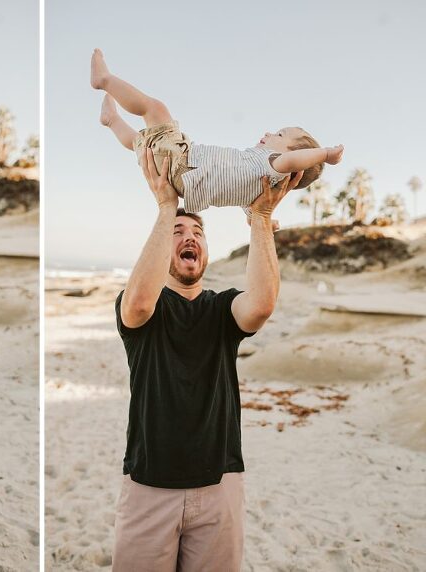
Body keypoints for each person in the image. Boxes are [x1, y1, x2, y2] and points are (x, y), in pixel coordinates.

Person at [111, 147, 303, 571]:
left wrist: (262, 218)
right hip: (149, 485)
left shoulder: (222, 308)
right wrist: (166, 208)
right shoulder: (143, 306)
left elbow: (261, 306)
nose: (189, 238)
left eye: (196, 233)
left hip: (221, 482)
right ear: (163, 246)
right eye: (178, 233)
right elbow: (138, 303)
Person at [91, 48, 342, 217]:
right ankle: (112, 120)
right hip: (180, 183)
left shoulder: (273, 164)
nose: (269, 132)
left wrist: (326, 154)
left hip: (184, 163)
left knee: (155, 109)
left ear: (293, 160)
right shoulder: (256, 188)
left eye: (279, 134)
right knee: (139, 143)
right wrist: (264, 221)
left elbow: (293, 161)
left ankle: (104, 80)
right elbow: (253, 214)